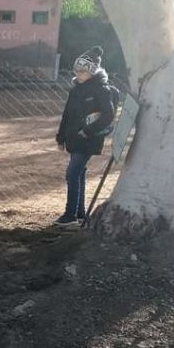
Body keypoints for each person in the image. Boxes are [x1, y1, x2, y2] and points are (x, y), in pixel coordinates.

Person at [55, 46, 116, 227]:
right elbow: (67, 115)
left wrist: (88, 131)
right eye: (77, 70)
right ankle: (80, 213)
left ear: (92, 71)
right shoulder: (76, 90)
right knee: (79, 173)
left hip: (89, 139)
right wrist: (61, 137)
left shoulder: (102, 90)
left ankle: (70, 215)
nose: (78, 74)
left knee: (72, 173)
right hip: (74, 139)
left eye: (82, 71)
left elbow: (108, 116)